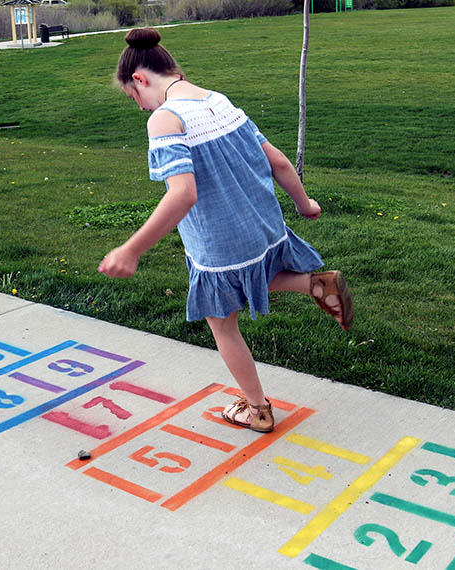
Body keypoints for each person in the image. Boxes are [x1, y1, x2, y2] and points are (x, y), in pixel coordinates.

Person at [99, 28, 353, 433]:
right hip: (263, 225)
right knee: (255, 279)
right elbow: (280, 163)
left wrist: (131, 249)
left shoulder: (167, 119)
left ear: (141, 80)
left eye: (135, 99)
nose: (142, 108)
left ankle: (258, 410)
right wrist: (305, 205)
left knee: (222, 322)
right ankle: (316, 285)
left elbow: (182, 195)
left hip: (220, 240)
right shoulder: (219, 101)